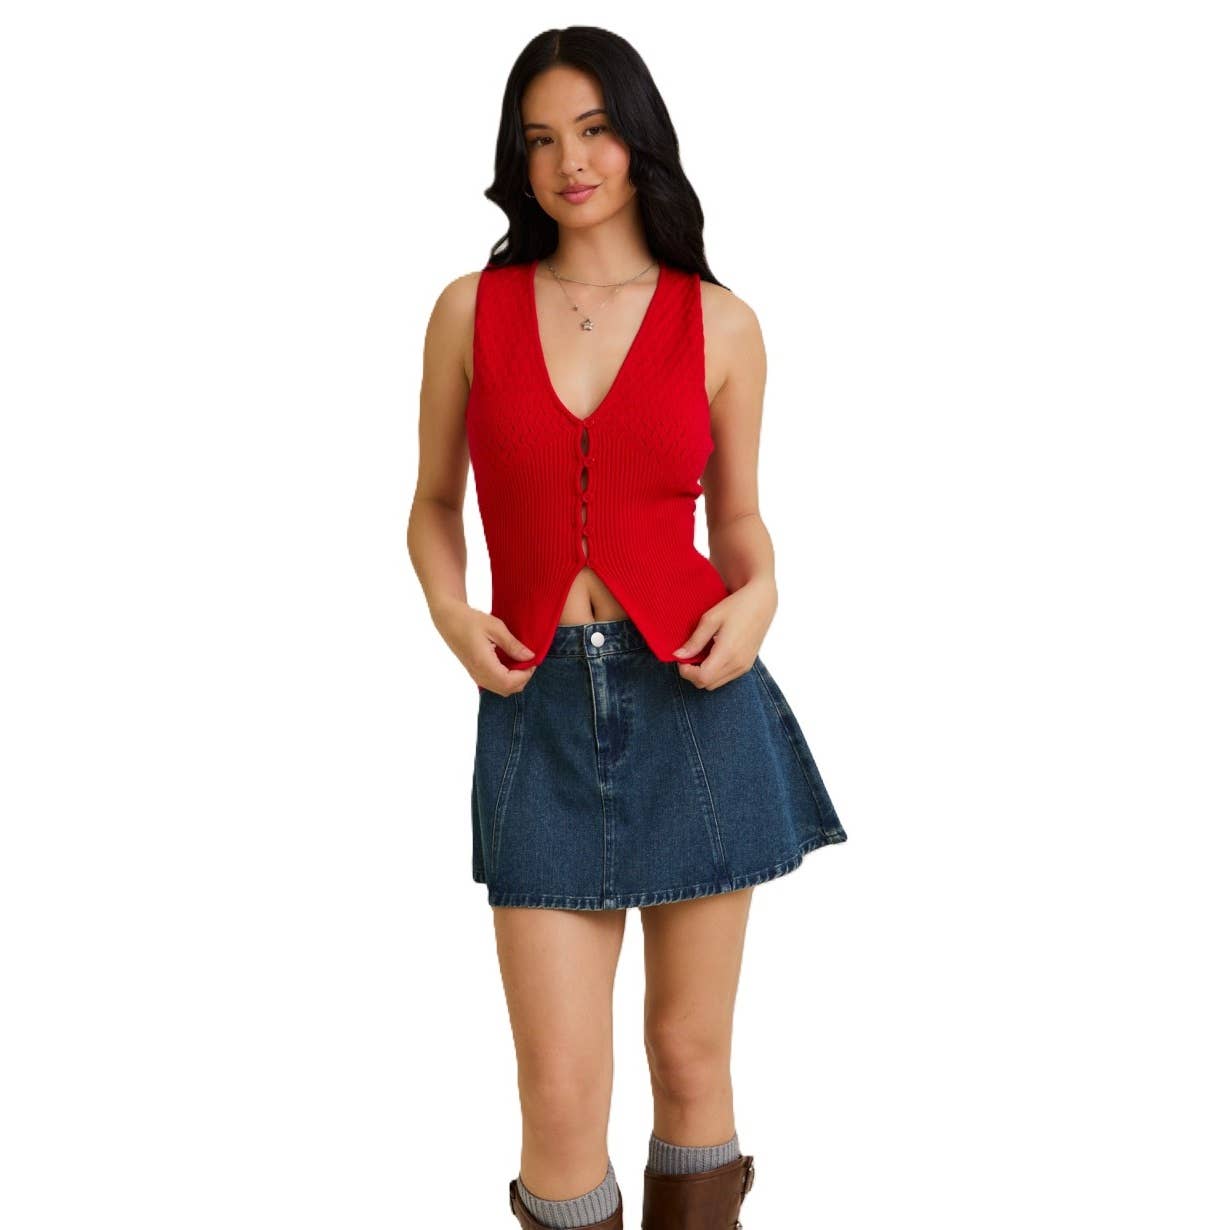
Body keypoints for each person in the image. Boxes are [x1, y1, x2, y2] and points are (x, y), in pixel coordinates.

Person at [407, 26, 848, 1229]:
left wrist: (759, 595)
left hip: (696, 700)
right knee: (558, 1096)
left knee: (691, 1059)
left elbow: (739, 519)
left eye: (595, 129)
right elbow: (435, 503)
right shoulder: (470, 311)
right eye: (541, 139)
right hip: (534, 710)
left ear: (638, 137)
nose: (571, 162)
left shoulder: (722, 324)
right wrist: (451, 612)